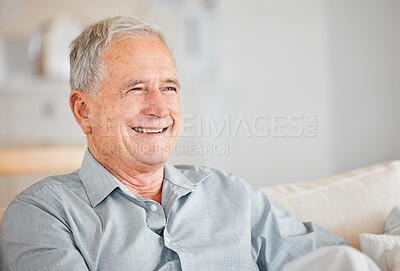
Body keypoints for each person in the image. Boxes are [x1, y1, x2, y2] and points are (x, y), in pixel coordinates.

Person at [0, 16, 379, 271]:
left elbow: (338, 259)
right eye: (136, 89)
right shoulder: (43, 214)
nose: (160, 108)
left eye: (169, 88)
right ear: (84, 111)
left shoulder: (228, 193)